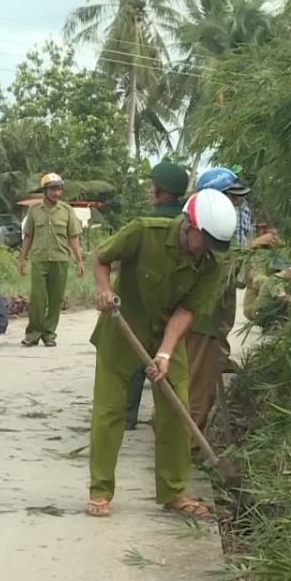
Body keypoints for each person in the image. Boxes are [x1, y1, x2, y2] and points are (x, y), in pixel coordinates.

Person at [86, 188, 237, 519]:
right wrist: (104, 289)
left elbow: (186, 311)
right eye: (206, 240)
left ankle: (173, 492)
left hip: (168, 334)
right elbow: (101, 257)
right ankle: (100, 491)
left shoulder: (211, 263)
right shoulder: (144, 231)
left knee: (176, 408)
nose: (208, 250)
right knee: (109, 410)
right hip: (122, 329)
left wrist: (166, 354)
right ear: (189, 225)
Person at [184, 167, 280, 451]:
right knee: (195, 380)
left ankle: (185, 442)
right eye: (231, 197)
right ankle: (184, 447)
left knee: (205, 371)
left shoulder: (237, 212)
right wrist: (255, 244)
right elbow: (224, 255)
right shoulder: (200, 222)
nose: (236, 202)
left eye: (238, 198)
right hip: (201, 309)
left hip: (220, 296)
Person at [124, 160, 191, 429]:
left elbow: (111, 256)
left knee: (136, 364)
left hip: (141, 306)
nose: (149, 190)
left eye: (152, 186)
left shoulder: (144, 224)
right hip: (178, 310)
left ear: (161, 192)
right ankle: (167, 422)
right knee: (170, 365)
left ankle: (127, 416)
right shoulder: (188, 225)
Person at [18, 173, 85, 348]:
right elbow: (28, 236)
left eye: (59, 189)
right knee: (38, 299)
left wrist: (79, 261)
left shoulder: (67, 210)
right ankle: (32, 334)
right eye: (53, 189)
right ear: (44, 191)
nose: (57, 193)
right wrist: (22, 259)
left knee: (55, 299)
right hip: (39, 259)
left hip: (60, 259)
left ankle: (49, 334)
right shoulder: (34, 211)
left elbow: (73, 237)